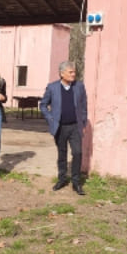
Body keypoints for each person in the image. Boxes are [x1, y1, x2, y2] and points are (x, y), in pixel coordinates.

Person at [39, 61, 87, 195]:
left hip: (75, 126)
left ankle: (76, 182)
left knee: (77, 153)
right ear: (62, 74)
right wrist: (50, 119)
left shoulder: (79, 86)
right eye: (70, 72)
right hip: (60, 127)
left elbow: (84, 106)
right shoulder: (52, 87)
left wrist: (83, 123)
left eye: (74, 72)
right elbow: (43, 105)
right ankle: (62, 179)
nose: (73, 74)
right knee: (62, 154)